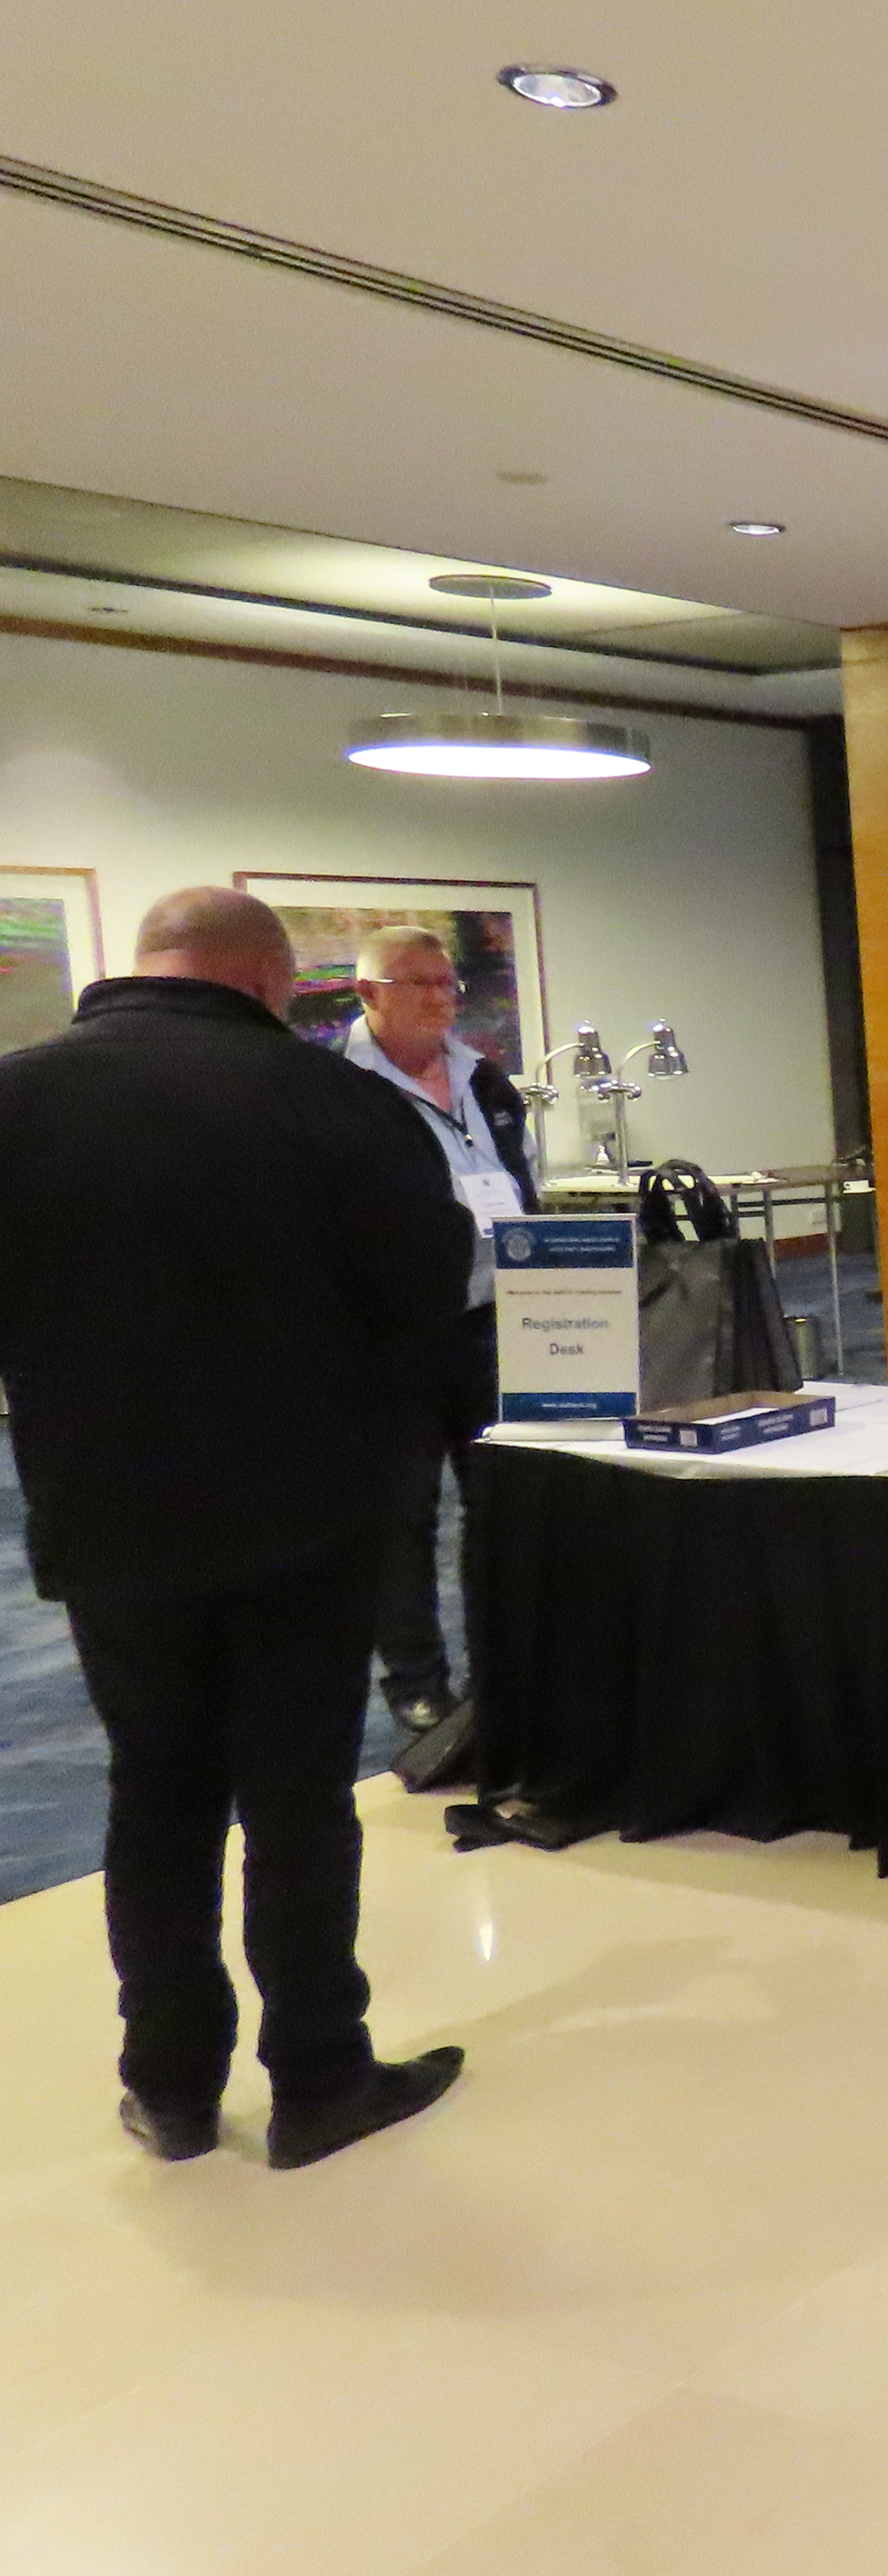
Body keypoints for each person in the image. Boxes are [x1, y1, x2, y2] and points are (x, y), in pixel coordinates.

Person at [0, 888, 477, 2169]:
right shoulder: (334, 1102)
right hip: (304, 1510)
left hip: (104, 1514)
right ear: (271, 981)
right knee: (295, 1796)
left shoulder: (16, 1095)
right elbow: (426, 1290)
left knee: (152, 1791)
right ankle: (320, 2073)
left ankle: (168, 2084)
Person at [341, 924, 540, 1732]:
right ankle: (420, 1686)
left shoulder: (485, 1079)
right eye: (418, 983)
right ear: (368, 994)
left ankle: (514, 1672)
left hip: (495, 1322)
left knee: (505, 1505)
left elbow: (524, 1177)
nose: (441, 998)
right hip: (391, 1339)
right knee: (402, 1517)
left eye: (448, 983)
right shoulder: (333, 1087)